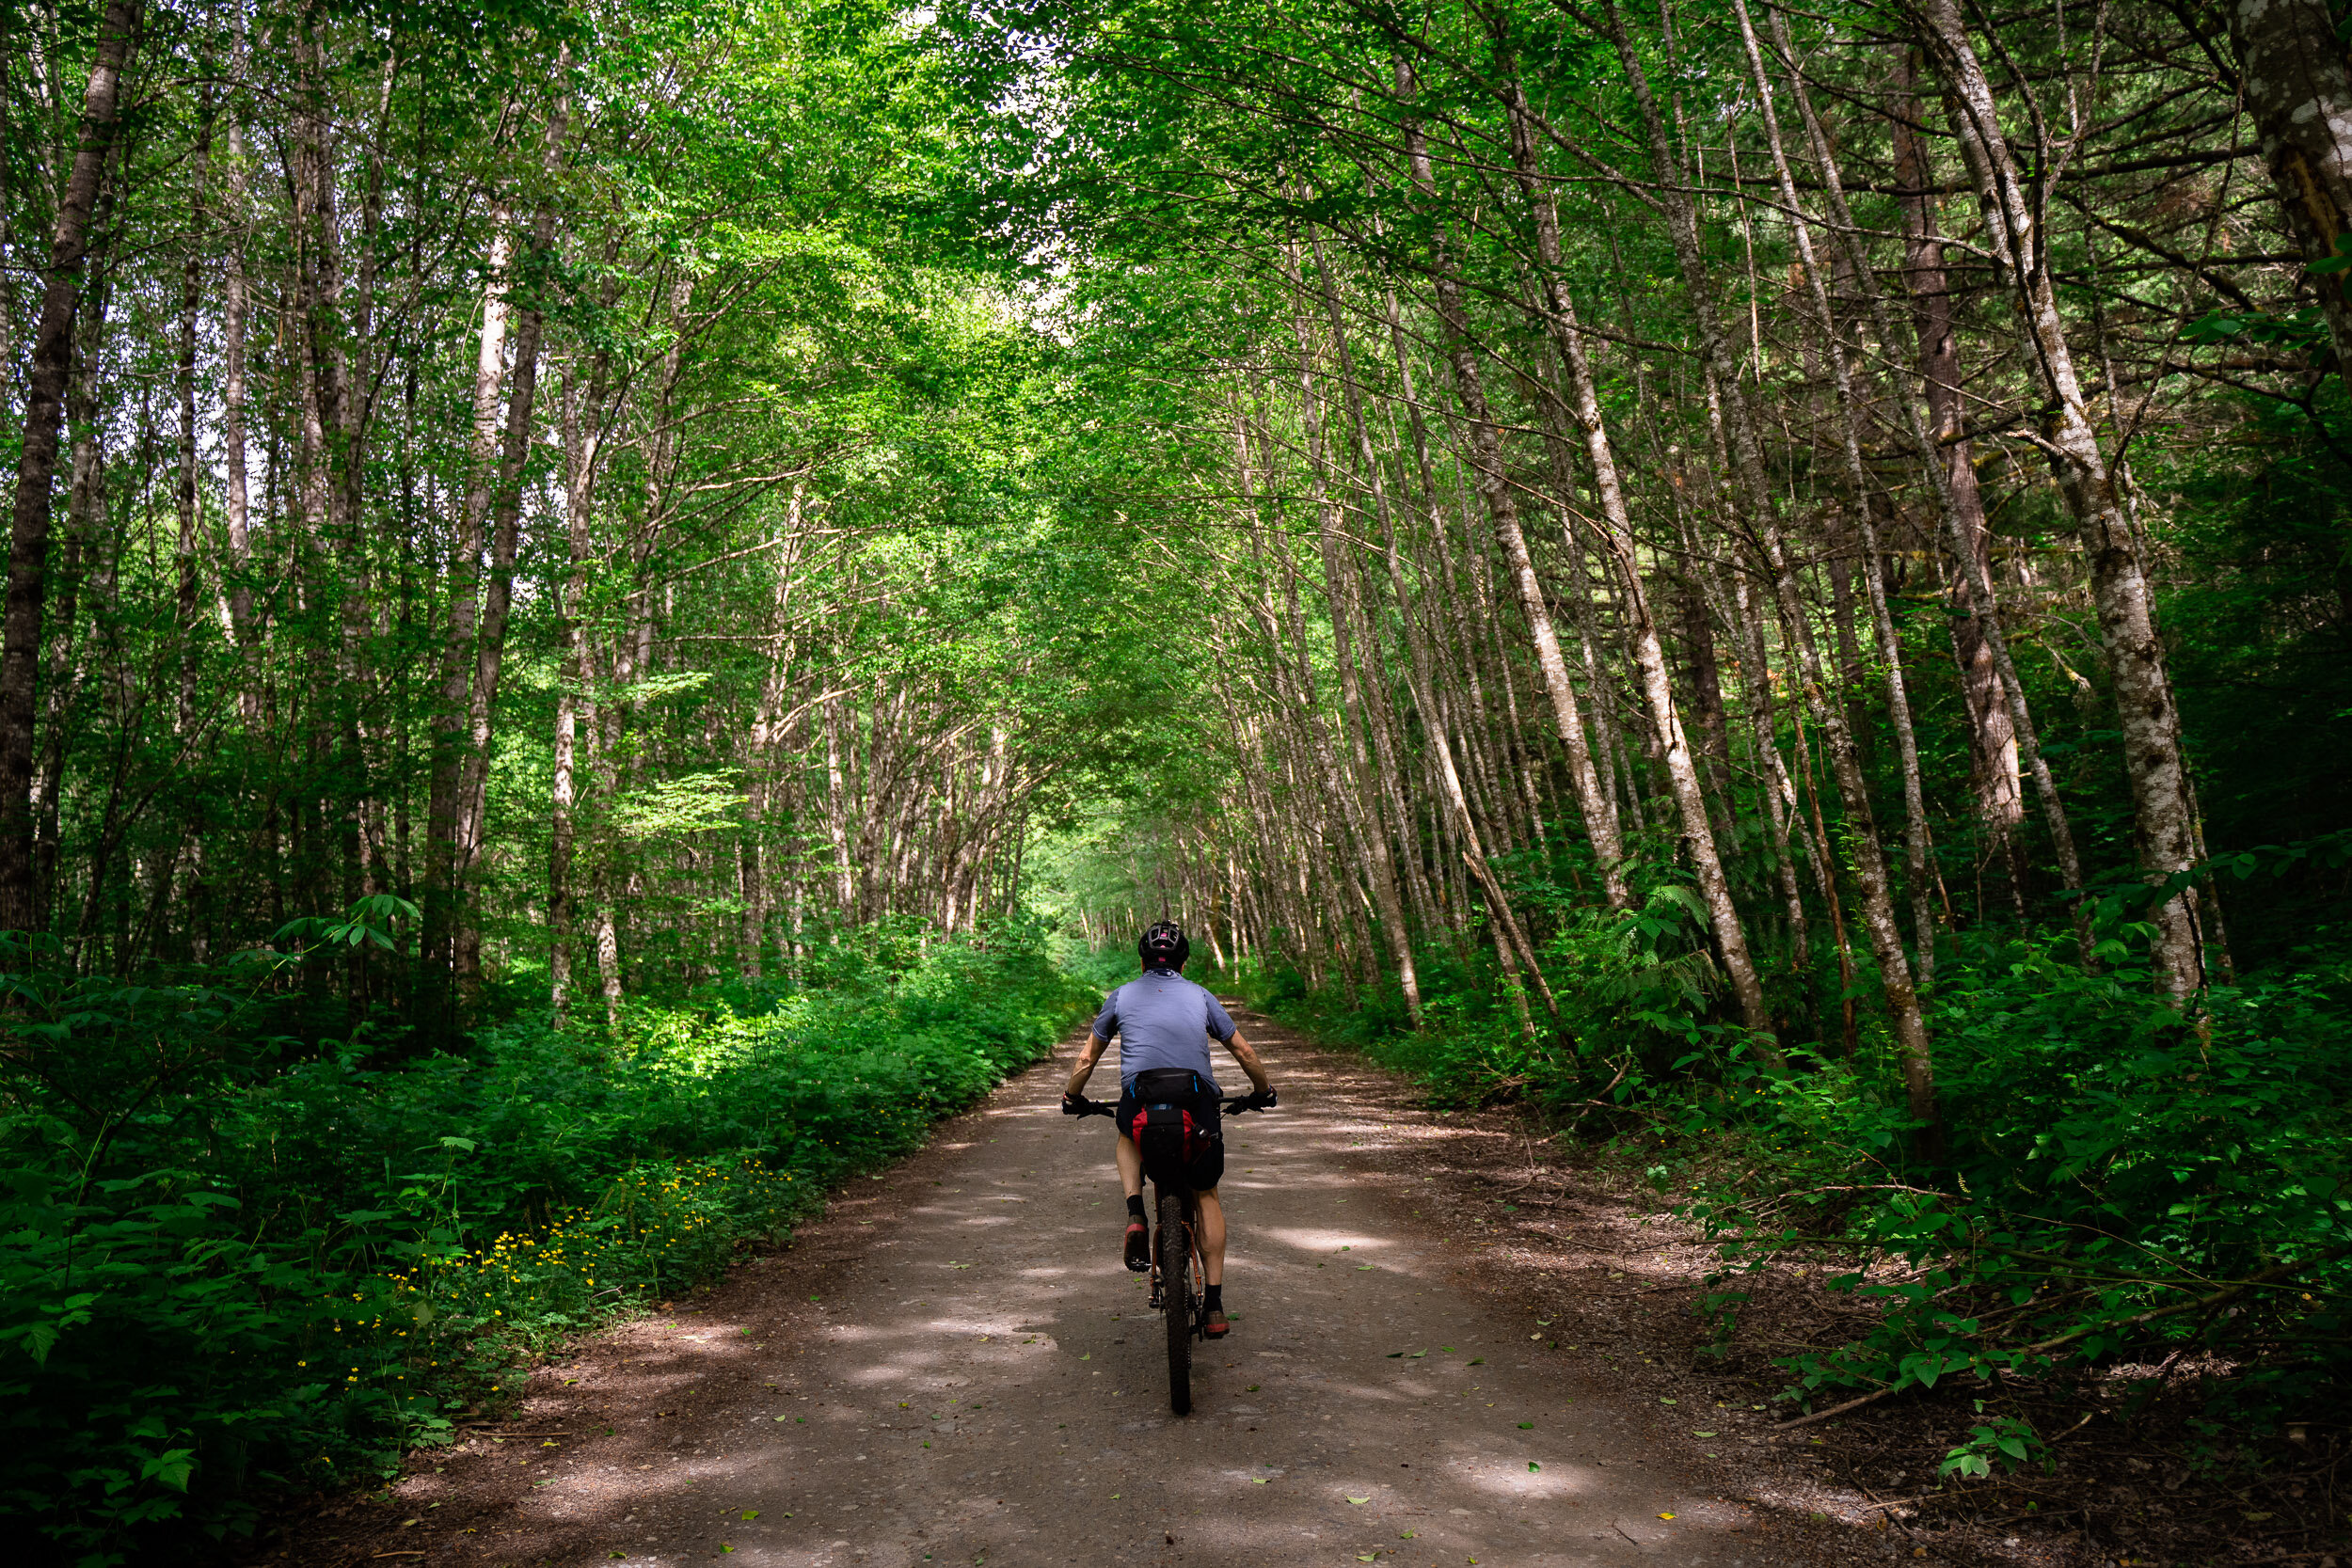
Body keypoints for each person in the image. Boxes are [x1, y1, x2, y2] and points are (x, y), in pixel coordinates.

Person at [1062, 920, 1272, 1338]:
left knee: (1127, 1131)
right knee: (1206, 1192)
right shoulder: (1200, 995)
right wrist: (1262, 1091)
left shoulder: (1120, 996)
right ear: (1184, 962)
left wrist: (1072, 1097)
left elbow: (1087, 1060)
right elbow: (1243, 1050)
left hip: (1143, 1099)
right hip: (1196, 1103)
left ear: (1141, 961)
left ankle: (1136, 1212)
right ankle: (1213, 1306)